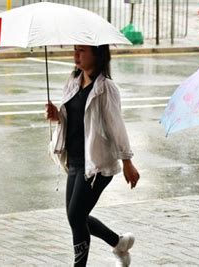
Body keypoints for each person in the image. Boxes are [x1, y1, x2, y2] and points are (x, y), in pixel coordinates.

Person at [45, 44, 140, 267]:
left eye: (82, 50)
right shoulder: (73, 81)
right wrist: (57, 116)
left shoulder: (106, 88)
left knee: (77, 217)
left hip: (98, 163)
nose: (75, 55)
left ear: (97, 54)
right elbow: (73, 119)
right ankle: (119, 243)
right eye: (75, 49)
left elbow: (116, 126)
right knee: (74, 217)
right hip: (76, 160)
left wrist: (127, 161)